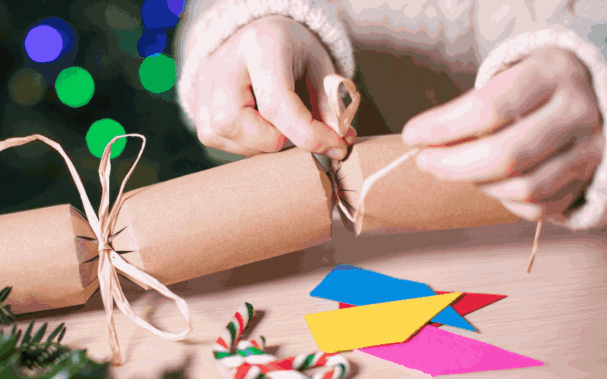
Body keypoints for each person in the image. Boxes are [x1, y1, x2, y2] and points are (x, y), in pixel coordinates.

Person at [173, 0, 607, 230]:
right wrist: (247, 23)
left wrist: (597, 72)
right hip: (357, 254)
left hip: (572, 256)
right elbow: (209, 12)